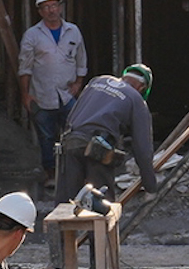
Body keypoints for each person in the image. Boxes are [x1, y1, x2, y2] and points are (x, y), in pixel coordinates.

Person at [55, 64, 156, 207]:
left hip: (71, 140)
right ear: (142, 88)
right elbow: (143, 149)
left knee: (67, 205)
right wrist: (150, 186)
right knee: (100, 205)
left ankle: (65, 228)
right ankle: (97, 229)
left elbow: (74, 114)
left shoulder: (97, 81)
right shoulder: (136, 100)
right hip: (99, 148)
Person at [18, 0, 87, 190]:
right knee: (46, 137)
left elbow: (81, 60)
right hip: (42, 96)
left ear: (61, 7)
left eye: (54, 5)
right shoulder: (32, 35)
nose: (51, 10)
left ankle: (75, 173)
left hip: (67, 95)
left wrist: (78, 84)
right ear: (40, 11)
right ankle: (51, 173)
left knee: (74, 134)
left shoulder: (73, 31)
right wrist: (26, 95)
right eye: (46, 7)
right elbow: (25, 67)